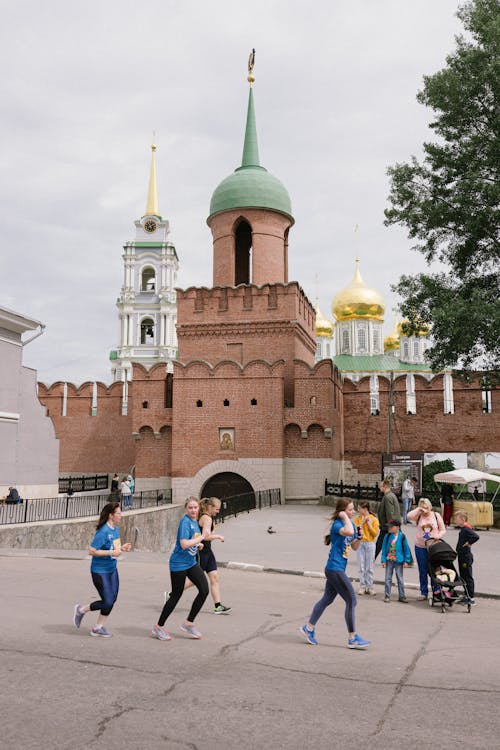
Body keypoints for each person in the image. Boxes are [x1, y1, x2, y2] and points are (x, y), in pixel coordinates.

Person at [299, 498, 371, 650]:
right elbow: (348, 531)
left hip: (337, 569)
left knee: (327, 599)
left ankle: (309, 628)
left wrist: (359, 537)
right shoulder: (338, 524)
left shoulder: (350, 524)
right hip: (334, 568)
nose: (353, 512)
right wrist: (344, 517)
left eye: (353, 509)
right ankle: (352, 638)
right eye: (350, 510)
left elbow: (355, 546)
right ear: (342, 511)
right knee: (352, 600)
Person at [152, 497, 209, 641]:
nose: (193, 510)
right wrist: (201, 538)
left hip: (190, 562)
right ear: (186, 509)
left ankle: (188, 623)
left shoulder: (194, 521)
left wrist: (198, 544)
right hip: (178, 564)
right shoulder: (185, 522)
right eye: (190, 508)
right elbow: (183, 544)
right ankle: (158, 627)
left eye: (195, 507)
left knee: (204, 590)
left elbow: (192, 540)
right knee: (176, 595)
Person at [73, 501, 131, 637]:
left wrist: (122, 548)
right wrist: (111, 553)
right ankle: (81, 609)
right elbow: (92, 551)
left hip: (112, 568)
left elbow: (114, 548)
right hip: (100, 571)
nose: (121, 515)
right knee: (108, 601)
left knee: (112, 599)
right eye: (118, 513)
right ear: (111, 515)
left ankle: (98, 627)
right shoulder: (103, 531)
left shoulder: (115, 529)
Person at [183, 496, 231, 614]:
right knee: (195, 580)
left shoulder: (207, 517)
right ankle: (172, 593)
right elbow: (205, 536)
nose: (218, 512)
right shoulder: (206, 518)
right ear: (210, 507)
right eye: (217, 509)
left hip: (208, 552)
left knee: (214, 577)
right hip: (201, 552)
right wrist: (218, 536)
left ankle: (218, 606)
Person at [407, 498, 446, 600]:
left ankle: (436, 591)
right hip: (420, 546)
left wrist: (438, 536)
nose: (425, 510)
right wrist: (419, 510)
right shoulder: (419, 515)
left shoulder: (436, 515)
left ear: (430, 506)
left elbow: (443, 529)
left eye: (426, 507)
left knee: (435, 569)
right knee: (422, 570)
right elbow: (408, 516)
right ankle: (423, 593)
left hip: (433, 547)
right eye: (423, 507)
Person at [381, 519, 412, 602]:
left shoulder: (402, 537)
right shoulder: (387, 536)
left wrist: (406, 560)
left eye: (391, 527)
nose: (389, 528)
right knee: (388, 578)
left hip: (399, 561)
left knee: (400, 579)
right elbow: (384, 549)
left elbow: (406, 549)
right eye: (389, 527)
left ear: (397, 527)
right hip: (389, 560)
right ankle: (387, 595)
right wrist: (383, 560)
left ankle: (402, 596)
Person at [352, 501, 379, 596]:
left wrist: (369, 524)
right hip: (360, 542)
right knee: (361, 566)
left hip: (370, 543)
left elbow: (375, 534)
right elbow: (356, 532)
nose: (358, 510)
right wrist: (363, 523)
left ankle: (370, 586)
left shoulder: (374, 519)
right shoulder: (357, 519)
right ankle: (362, 586)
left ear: (365, 509)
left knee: (370, 566)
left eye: (360, 508)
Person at [454, 509, 479, 605]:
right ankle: (466, 594)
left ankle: (471, 598)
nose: (455, 521)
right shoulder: (464, 528)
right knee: (463, 576)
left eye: (457, 519)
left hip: (465, 557)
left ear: (463, 519)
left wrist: (469, 543)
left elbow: (476, 536)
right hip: (462, 556)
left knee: (467, 576)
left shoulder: (466, 529)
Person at [375, 480, 401, 559]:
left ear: (385, 486)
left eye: (381, 486)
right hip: (390, 524)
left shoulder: (388, 497)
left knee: (381, 542)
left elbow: (390, 512)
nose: (380, 488)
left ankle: (372, 557)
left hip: (388, 525)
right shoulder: (390, 495)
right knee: (397, 541)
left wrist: (391, 525)